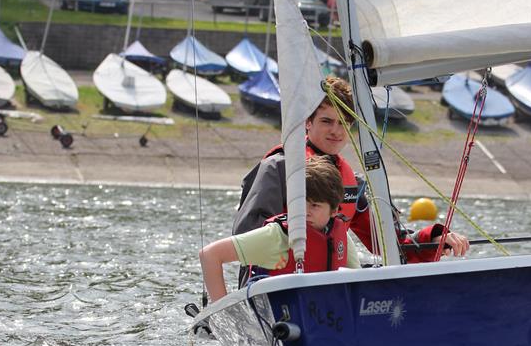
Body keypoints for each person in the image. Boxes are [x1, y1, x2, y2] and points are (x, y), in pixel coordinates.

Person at [232, 75, 469, 263]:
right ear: (308, 121)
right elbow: (246, 234)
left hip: (325, 286)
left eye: (344, 123)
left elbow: (390, 243)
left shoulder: (351, 185)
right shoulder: (279, 167)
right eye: (327, 121)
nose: (336, 131)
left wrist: (436, 239)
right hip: (277, 284)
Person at [200, 156, 361, 302]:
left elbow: (359, 283)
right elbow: (209, 255)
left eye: (315, 205)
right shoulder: (278, 236)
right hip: (275, 322)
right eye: (299, 202)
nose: (304, 211)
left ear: (334, 211)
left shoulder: (340, 237)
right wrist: (223, 314)